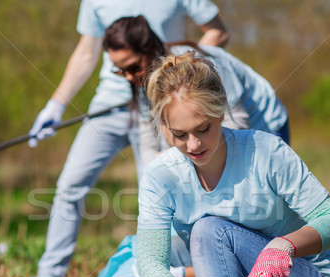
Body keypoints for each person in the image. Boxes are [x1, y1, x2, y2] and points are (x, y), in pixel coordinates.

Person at [135, 52, 330, 277]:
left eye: (203, 128)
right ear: (162, 125)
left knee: (208, 231)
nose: (193, 144)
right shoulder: (160, 177)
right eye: (179, 134)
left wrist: (284, 246)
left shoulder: (266, 152)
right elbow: (150, 263)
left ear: (221, 107)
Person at [3, 0, 229, 277]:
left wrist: (182, 74)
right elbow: (87, 52)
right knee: (69, 185)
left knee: (161, 196)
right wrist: (56, 104)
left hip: (159, 105)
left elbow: (217, 31)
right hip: (107, 107)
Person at [102, 15, 290, 168]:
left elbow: (237, 120)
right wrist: (153, 178)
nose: (128, 77)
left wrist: (183, 157)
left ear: (150, 49)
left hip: (264, 125)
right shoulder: (143, 83)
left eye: (134, 67)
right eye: (121, 71)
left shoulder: (200, 66)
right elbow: (148, 137)